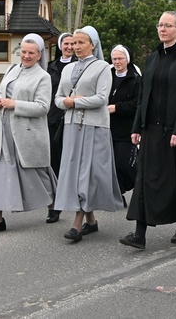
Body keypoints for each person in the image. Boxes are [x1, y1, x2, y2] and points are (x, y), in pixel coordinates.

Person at [120, 11, 176, 250]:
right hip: (152, 130)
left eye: (168, 25)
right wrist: (137, 126)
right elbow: (143, 97)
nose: (162, 29)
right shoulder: (152, 58)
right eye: (160, 24)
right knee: (145, 181)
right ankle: (139, 234)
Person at [0, 35, 58, 235]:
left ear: (39, 54)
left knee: (36, 172)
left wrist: (14, 104)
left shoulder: (43, 77)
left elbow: (42, 107)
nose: (26, 56)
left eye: (31, 53)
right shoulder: (12, 69)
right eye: (23, 52)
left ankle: (53, 202)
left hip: (26, 134)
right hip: (3, 130)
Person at [53, 26, 123, 242]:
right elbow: (57, 99)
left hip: (94, 127)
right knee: (76, 172)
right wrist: (68, 102)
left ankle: (77, 223)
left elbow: (102, 99)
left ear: (93, 44)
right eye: (74, 43)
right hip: (72, 126)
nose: (76, 47)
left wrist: (73, 101)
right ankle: (90, 221)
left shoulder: (103, 67)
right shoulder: (67, 69)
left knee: (87, 172)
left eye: (81, 43)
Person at [45, 32, 75, 223]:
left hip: (73, 118)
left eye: (73, 43)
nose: (69, 47)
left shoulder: (80, 67)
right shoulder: (51, 67)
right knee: (55, 162)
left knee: (71, 161)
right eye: (66, 43)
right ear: (60, 45)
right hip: (54, 119)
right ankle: (55, 205)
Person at [108, 44, 141, 204]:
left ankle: (140, 187)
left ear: (127, 60)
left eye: (120, 58)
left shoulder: (135, 79)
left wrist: (117, 108)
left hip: (127, 128)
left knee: (124, 163)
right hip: (108, 128)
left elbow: (138, 103)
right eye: (114, 59)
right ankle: (117, 194)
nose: (117, 62)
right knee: (111, 164)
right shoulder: (107, 76)